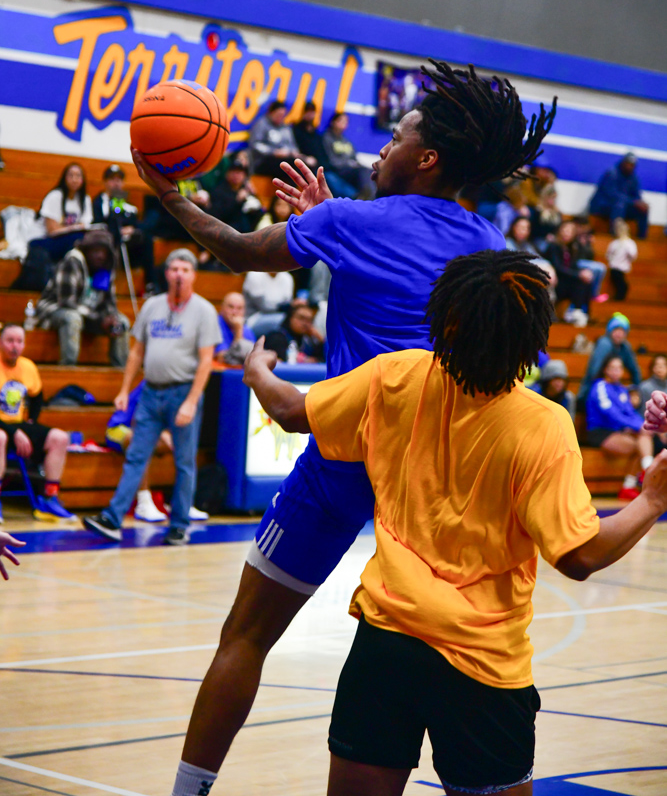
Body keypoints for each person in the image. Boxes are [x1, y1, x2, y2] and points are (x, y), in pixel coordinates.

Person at [130, 59, 557, 796]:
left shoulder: (350, 221)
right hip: (436, 484)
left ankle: (187, 791)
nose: (380, 148)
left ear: (426, 157)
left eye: (395, 137)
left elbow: (235, 249)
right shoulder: (493, 248)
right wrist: (333, 225)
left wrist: (171, 196)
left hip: (342, 461)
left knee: (246, 636)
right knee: (445, 660)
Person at [242, 250, 667, 796]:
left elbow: (290, 411)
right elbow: (580, 554)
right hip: (483, 664)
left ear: (445, 321)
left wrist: (257, 371)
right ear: (532, 343)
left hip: (385, 644)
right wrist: (651, 499)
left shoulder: (396, 375)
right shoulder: (544, 426)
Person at [82, 248, 221, 545]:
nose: (179, 274)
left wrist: (191, 401)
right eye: (174, 269)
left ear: (194, 275)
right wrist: (123, 390)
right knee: (136, 455)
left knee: (184, 461)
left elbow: (206, 361)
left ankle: (179, 525)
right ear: (166, 274)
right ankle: (112, 518)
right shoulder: (153, 306)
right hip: (150, 391)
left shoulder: (204, 311)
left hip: (183, 391)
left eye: (185, 269)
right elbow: (136, 352)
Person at [105, 380, 209, 523]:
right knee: (138, 440)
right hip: (119, 428)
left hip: (151, 431)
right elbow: (140, 421)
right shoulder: (156, 384)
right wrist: (162, 433)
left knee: (183, 445)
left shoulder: (185, 387)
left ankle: (182, 504)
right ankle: (143, 502)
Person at [0, 323, 73, 522]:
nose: (15, 346)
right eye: (9, 341)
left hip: (17, 424)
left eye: (19, 341)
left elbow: (37, 396)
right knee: (0, 437)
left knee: (59, 437)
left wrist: (31, 422)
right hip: (3, 428)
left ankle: (49, 499)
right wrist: (14, 432)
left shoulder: (28, 367)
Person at [35, 228, 130, 367]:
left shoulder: (105, 268)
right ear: (86, 250)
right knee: (72, 318)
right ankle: (68, 367)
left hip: (88, 315)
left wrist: (111, 318)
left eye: (103, 251)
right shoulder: (73, 261)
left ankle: (121, 370)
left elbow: (109, 303)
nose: (99, 256)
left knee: (122, 322)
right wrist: (100, 319)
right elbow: (67, 302)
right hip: (54, 309)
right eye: (95, 251)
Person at [586, 353, 654, 499]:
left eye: (619, 368)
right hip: (600, 432)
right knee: (639, 445)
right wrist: (638, 426)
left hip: (617, 431)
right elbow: (611, 414)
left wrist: (644, 425)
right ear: (605, 369)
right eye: (612, 368)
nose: (616, 371)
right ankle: (647, 473)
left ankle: (642, 475)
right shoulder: (600, 387)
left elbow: (630, 413)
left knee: (644, 436)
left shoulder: (622, 389)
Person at [92, 164, 155, 291]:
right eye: (112, 179)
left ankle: (150, 284)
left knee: (146, 238)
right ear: (105, 182)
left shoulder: (127, 205)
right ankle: (102, 283)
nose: (116, 183)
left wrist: (131, 230)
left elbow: (133, 223)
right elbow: (99, 222)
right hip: (107, 240)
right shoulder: (98, 202)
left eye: (119, 180)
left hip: (126, 243)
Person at [31, 161, 94, 262]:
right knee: (77, 239)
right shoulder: (54, 196)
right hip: (46, 240)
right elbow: (52, 231)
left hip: (71, 239)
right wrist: (73, 228)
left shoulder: (85, 199)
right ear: (64, 178)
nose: (74, 180)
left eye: (78, 176)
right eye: (71, 175)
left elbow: (84, 226)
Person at [577, 312, 641, 408]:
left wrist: (636, 390)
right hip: (595, 391)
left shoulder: (625, 347)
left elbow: (634, 370)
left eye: (622, 331)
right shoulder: (604, 344)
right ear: (610, 330)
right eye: (616, 330)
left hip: (613, 388)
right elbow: (593, 371)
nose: (619, 334)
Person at [589, 152, 649, 238]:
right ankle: (615, 236)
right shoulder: (612, 173)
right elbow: (611, 195)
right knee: (619, 205)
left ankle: (642, 239)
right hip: (603, 205)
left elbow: (636, 196)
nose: (629, 166)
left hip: (622, 207)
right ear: (623, 162)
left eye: (632, 165)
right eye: (628, 163)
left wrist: (640, 203)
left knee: (643, 209)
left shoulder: (633, 178)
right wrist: (633, 202)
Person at [248, 100, 314, 178]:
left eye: (283, 115)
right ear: (271, 113)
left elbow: (292, 145)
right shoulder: (262, 124)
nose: (280, 118)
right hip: (264, 160)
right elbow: (255, 144)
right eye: (278, 115)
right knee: (290, 166)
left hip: (285, 159)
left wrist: (294, 153)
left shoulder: (285, 128)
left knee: (303, 165)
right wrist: (274, 152)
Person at [545, 221, 593, 326]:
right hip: (556, 282)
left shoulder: (571, 248)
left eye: (570, 231)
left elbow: (574, 266)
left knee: (586, 280)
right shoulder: (553, 246)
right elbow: (558, 268)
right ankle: (575, 311)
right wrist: (578, 275)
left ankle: (583, 312)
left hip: (566, 281)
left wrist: (583, 273)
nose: (567, 233)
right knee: (579, 282)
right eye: (565, 230)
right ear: (560, 231)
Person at [322, 111, 373, 198]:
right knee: (362, 171)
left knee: (369, 170)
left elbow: (354, 158)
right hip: (338, 169)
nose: (344, 124)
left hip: (350, 169)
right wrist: (348, 163)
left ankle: (370, 196)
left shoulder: (346, 141)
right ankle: (365, 196)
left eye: (346, 121)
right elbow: (330, 160)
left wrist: (355, 164)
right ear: (333, 122)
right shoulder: (327, 138)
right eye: (341, 121)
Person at [208, 157, 264, 234]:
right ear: (227, 174)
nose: (236, 175)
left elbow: (260, 213)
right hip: (226, 233)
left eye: (239, 172)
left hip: (248, 233)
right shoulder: (218, 191)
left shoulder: (247, 191)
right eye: (233, 172)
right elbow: (216, 215)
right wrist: (237, 200)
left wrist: (254, 198)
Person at [505, 216, 557, 298]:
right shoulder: (507, 243)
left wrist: (549, 266)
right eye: (521, 227)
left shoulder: (526, 244)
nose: (523, 231)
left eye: (526, 228)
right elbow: (519, 262)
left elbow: (537, 258)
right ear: (513, 227)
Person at [242, 269, 295, 336]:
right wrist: (282, 307)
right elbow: (263, 307)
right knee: (287, 320)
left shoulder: (287, 277)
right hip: (253, 318)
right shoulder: (254, 274)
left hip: (279, 316)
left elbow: (288, 304)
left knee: (295, 320)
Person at [214, 291, 256, 366]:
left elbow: (254, 357)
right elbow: (223, 359)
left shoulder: (247, 330)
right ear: (222, 307)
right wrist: (238, 331)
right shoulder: (215, 326)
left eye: (239, 308)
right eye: (230, 307)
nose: (235, 312)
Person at [606, 218, 638, 301]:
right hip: (614, 267)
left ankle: (619, 300)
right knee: (620, 285)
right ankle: (617, 300)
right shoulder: (615, 243)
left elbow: (633, 255)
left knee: (623, 286)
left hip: (622, 267)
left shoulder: (629, 243)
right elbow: (608, 255)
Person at [529, 183, 562, 252]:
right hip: (539, 239)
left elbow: (558, 229)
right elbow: (534, 229)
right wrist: (545, 236)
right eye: (551, 198)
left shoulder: (557, 213)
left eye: (554, 198)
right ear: (545, 197)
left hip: (553, 240)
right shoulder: (538, 211)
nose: (553, 200)